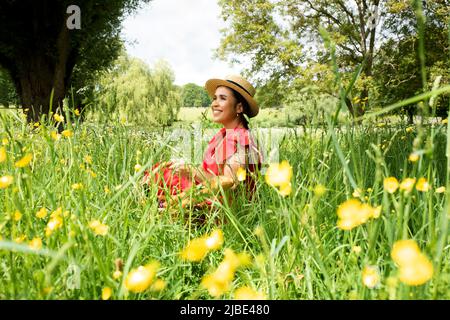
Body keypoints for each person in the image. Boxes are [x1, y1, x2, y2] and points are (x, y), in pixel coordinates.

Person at [143, 74, 263, 211]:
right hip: (207, 192)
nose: (214, 104)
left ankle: (162, 207)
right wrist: (186, 169)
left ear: (239, 108)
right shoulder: (222, 135)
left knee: (171, 182)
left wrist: (190, 171)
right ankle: (152, 203)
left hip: (221, 208)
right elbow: (205, 172)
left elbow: (229, 185)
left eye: (222, 98)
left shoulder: (242, 140)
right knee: (166, 171)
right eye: (214, 98)